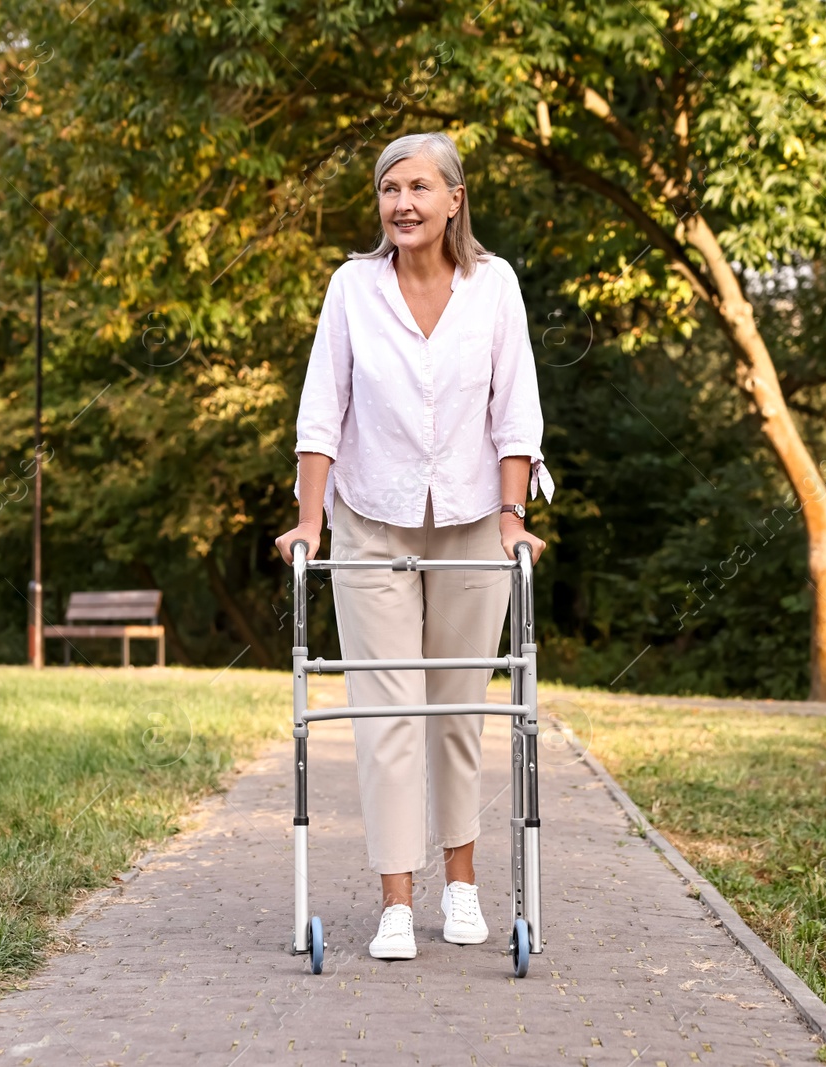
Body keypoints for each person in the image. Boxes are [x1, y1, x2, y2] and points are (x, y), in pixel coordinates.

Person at [274, 132, 554, 961]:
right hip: (370, 518)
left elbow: (517, 408)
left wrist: (510, 515)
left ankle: (462, 887)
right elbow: (322, 406)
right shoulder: (353, 287)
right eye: (390, 188)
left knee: (461, 710)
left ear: (454, 198)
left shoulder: (494, 284)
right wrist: (311, 521)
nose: (403, 202)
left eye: (420, 187)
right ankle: (397, 900)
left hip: (472, 518)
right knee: (386, 711)